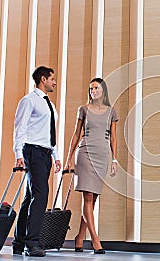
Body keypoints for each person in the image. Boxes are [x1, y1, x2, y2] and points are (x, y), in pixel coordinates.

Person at [64, 77, 118, 254]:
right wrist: (68, 159)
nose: (93, 91)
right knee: (87, 197)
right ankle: (95, 239)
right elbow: (76, 135)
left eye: (96, 88)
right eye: (91, 89)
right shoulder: (83, 109)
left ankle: (79, 237)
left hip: (102, 155)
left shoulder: (111, 111)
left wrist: (115, 160)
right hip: (85, 153)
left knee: (93, 199)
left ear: (103, 90)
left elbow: (113, 138)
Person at [12, 66, 62, 257]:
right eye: (52, 79)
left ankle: (18, 242)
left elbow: (50, 132)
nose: (54, 82)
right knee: (41, 195)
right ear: (43, 79)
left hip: (45, 153)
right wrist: (19, 153)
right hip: (32, 152)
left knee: (30, 197)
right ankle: (32, 242)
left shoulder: (49, 104)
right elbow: (20, 128)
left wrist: (55, 156)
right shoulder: (29, 100)